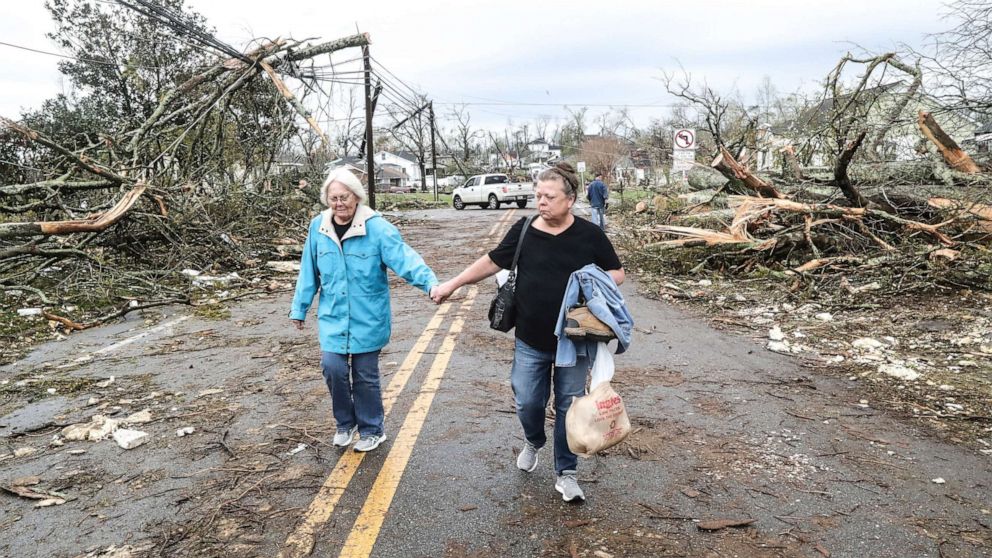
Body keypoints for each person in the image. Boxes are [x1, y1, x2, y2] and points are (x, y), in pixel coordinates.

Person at [432, 162, 625, 502]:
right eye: (538, 195)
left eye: (549, 196)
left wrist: (590, 283)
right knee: (527, 401)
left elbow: (617, 273)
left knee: (568, 406)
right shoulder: (524, 229)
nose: (541, 202)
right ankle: (534, 439)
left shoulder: (589, 234)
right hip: (530, 338)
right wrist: (454, 284)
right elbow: (492, 261)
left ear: (570, 199)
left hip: (573, 340)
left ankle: (566, 472)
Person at [290, 168, 438, 452]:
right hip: (333, 317)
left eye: (343, 197)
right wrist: (300, 308)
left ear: (356, 196)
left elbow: (405, 259)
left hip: (367, 317)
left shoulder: (377, 227)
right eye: (332, 198)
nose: (338, 203)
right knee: (332, 368)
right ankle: (345, 424)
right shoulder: (318, 227)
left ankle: (372, 429)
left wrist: (430, 284)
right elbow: (309, 270)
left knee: (364, 375)